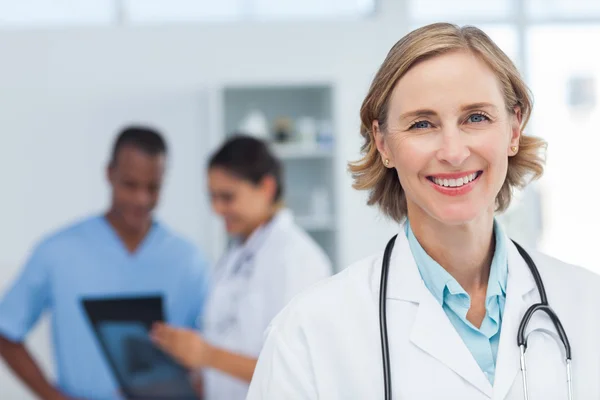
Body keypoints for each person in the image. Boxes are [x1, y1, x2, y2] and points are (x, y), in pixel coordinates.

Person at [246, 23, 600, 400]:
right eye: (422, 124)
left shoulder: (588, 304)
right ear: (383, 143)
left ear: (513, 130)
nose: (453, 151)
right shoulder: (308, 334)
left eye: (475, 117)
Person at [0, 126, 211, 400]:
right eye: (130, 185)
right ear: (109, 174)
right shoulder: (58, 252)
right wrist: (52, 396)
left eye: (153, 188)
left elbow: (211, 352)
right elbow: (6, 331)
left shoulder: (189, 260)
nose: (141, 199)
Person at [150, 134, 332, 400]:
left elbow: (296, 370)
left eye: (227, 197)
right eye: (212, 197)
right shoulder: (234, 255)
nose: (217, 208)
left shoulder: (297, 259)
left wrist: (205, 355)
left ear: (266, 188)